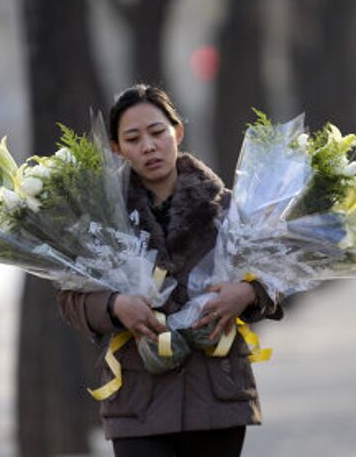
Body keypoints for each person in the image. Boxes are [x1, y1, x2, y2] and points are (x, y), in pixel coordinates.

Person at [57, 84, 283, 457]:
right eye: (133, 138)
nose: (148, 146)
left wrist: (248, 293)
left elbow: (280, 275)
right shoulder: (101, 221)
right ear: (117, 148)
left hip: (216, 395)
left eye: (157, 132)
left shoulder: (229, 210)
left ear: (177, 132)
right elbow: (70, 298)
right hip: (136, 397)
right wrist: (115, 306)